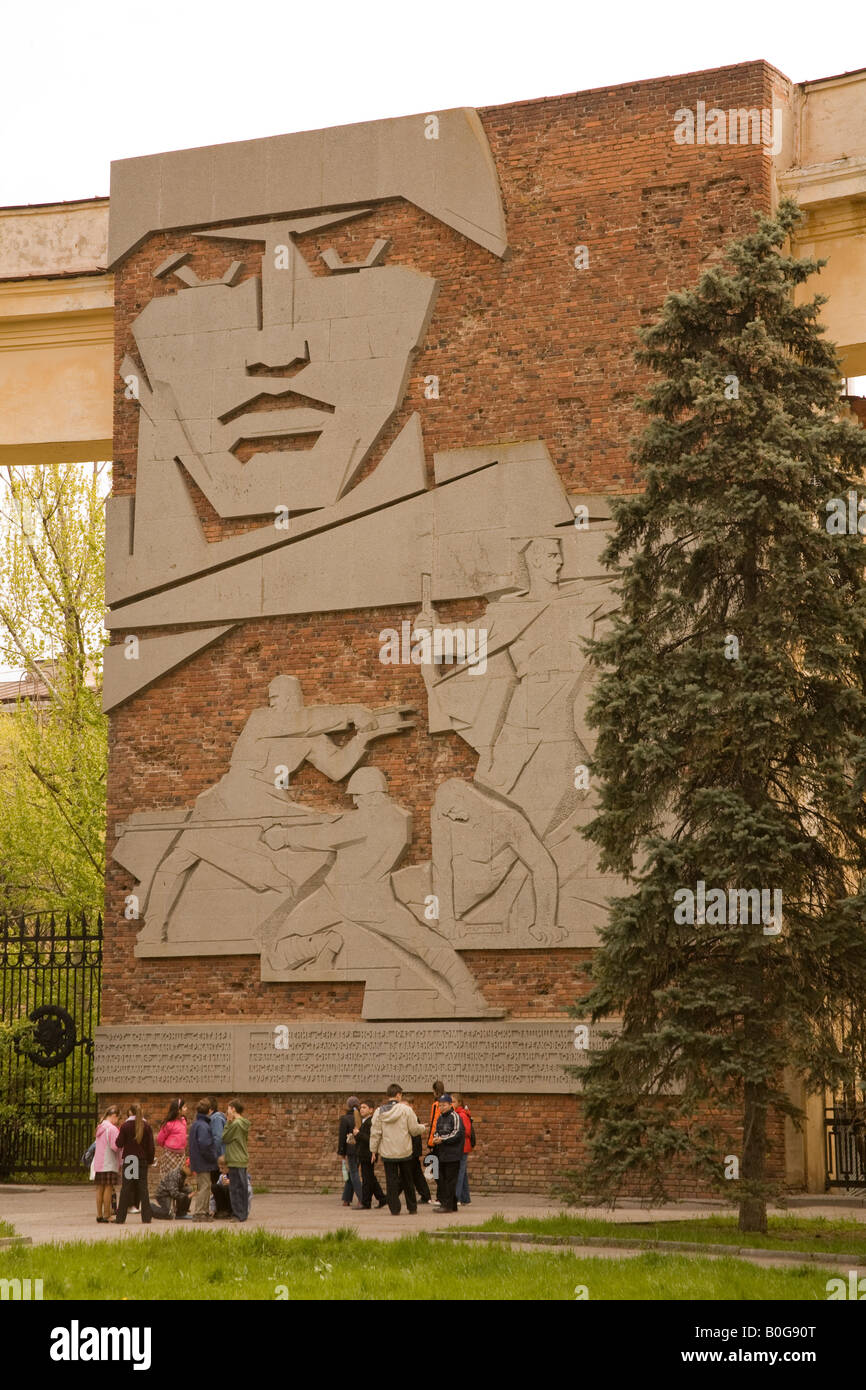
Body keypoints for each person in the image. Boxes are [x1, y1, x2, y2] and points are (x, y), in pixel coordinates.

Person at [369, 1083, 425, 1216]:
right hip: (404, 1150)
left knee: (391, 1181)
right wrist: (422, 1127)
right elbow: (413, 1129)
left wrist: (373, 1150)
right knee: (407, 1179)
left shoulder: (379, 1111)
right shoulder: (406, 1110)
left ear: (388, 1095)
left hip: (388, 1151)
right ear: (399, 1095)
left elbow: (375, 1132)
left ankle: (394, 1208)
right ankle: (412, 1207)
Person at [114, 1102, 155, 1224]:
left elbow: (119, 1143)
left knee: (126, 1188)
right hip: (141, 1160)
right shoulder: (146, 1126)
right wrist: (150, 1160)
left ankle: (120, 1218)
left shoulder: (125, 1126)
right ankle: (146, 1217)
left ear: (130, 1112)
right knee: (143, 1188)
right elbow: (151, 1147)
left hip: (130, 1159)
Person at [430, 1093, 464, 1213]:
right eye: (440, 1105)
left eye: (444, 1105)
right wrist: (435, 1137)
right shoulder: (440, 1117)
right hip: (442, 1154)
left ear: (450, 1105)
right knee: (441, 1178)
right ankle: (452, 1203)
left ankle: (447, 1205)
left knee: (450, 1180)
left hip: (453, 1154)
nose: (442, 1107)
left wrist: (443, 1139)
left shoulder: (455, 1117)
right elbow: (436, 1131)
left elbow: (457, 1133)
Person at [221, 1099, 251, 1222]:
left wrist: (228, 1122)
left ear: (233, 1109)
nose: (227, 1112)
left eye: (228, 1109)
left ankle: (237, 1214)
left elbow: (225, 1137)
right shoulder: (243, 1123)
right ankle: (243, 1213)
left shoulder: (235, 1124)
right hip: (242, 1158)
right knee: (242, 1187)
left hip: (234, 1158)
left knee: (234, 1188)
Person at [189, 1098, 218, 1221]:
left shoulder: (196, 1124)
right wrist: (213, 1157)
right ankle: (200, 1212)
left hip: (197, 1160)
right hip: (204, 1161)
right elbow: (205, 1145)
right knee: (205, 1187)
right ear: (209, 1111)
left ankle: (203, 1212)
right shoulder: (204, 1126)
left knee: (204, 1186)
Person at [354, 1100, 387, 1209]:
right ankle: (382, 1198)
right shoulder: (364, 1122)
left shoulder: (371, 1122)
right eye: (361, 1107)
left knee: (367, 1179)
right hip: (364, 1153)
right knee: (370, 1178)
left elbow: (371, 1139)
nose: (361, 1109)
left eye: (364, 1107)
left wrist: (358, 1134)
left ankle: (366, 1202)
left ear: (371, 1110)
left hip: (368, 1154)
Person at [92, 1105, 120, 1223]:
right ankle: (107, 1214)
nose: (118, 1121)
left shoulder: (100, 1127)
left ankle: (99, 1215)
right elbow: (115, 1146)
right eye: (118, 1118)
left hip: (99, 1162)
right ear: (114, 1116)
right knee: (108, 1188)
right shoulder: (112, 1129)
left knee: (99, 1188)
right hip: (108, 1162)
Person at [155, 1098, 188, 1185]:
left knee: (180, 1178)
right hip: (170, 1155)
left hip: (181, 1155)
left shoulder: (184, 1121)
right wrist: (168, 1147)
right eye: (184, 1107)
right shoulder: (169, 1124)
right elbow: (159, 1139)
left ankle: (177, 1196)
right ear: (178, 1110)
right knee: (170, 1177)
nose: (186, 1109)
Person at [338, 1096, 363, 1207]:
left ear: (347, 1105)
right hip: (360, 1149)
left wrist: (341, 1152)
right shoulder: (361, 1117)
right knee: (352, 1172)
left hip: (351, 1150)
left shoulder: (345, 1119)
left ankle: (361, 1198)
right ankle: (346, 1198)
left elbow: (342, 1137)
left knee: (353, 1173)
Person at [208, 1098, 231, 1217]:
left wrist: (213, 1156)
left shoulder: (216, 1118)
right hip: (219, 1155)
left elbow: (217, 1138)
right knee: (218, 1184)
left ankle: (222, 1209)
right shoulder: (217, 1118)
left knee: (218, 1185)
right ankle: (220, 1208)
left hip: (218, 1157)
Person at [452, 1093, 473, 1207]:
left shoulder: (461, 1115)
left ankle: (457, 1197)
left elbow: (466, 1132)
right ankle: (465, 1198)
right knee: (462, 1173)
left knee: (459, 1173)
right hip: (461, 1147)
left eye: (453, 1102)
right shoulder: (457, 1114)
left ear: (459, 1103)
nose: (451, 1104)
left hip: (462, 1147)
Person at [427, 1081, 445, 1204]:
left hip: (437, 1141)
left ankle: (440, 1196)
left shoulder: (436, 1105)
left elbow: (434, 1124)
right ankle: (442, 1196)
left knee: (437, 1170)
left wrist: (430, 1143)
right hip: (445, 1142)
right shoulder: (447, 1104)